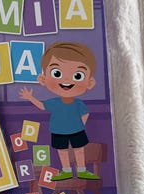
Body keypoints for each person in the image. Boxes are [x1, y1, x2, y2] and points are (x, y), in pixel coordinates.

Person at [19, 41, 100, 180]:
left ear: (90, 82)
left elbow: (85, 113)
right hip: (58, 131)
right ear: (43, 79)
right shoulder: (54, 102)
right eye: (57, 73)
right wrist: (30, 97)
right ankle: (66, 170)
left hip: (77, 130)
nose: (67, 79)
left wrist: (80, 125)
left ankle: (82, 170)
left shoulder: (78, 103)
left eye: (78, 75)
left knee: (79, 150)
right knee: (62, 151)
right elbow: (42, 106)